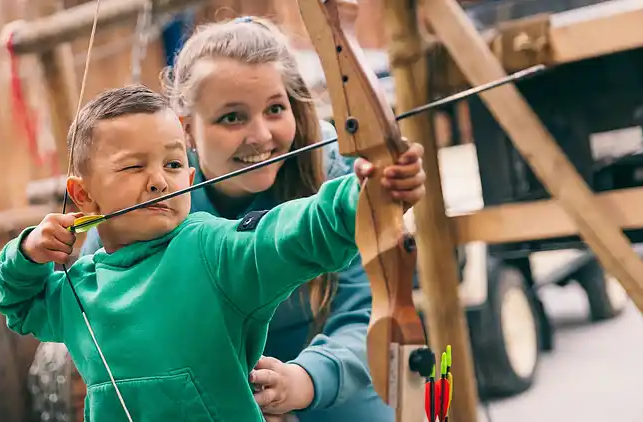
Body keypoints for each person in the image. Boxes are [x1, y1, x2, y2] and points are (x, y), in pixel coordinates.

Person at [0, 84, 416, 421]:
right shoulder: (78, 289)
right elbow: (19, 305)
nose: (159, 180)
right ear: (83, 195)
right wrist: (27, 253)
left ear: (189, 177)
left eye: (173, 165)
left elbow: (288, 235)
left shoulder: (212, 250)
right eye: (133, 167)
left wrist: (364, 194)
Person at [78, 16, 427, 422]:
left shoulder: (330, 166)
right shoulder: (152, 190)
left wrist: (302, 382)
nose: (261, 135)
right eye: (232, 117)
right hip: (197, 394)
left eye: (275, 109)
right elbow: (102, 318)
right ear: (187, 129)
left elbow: (364, 316)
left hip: (326, 380)